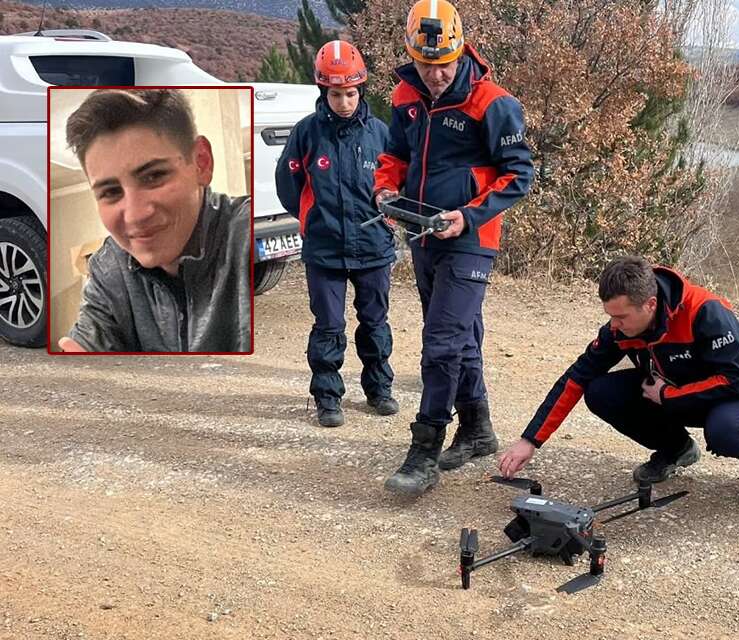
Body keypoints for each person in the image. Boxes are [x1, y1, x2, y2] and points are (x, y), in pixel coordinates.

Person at [375, 0, 534, 496]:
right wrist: (385, 188)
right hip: (422, 232)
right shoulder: (405, 95)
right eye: (425, 64)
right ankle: (477, 428)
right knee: (460, 336)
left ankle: (424, 448)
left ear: (461, 50)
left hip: (471, 239)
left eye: (443, 64)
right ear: (411, 56)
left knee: (442, 341)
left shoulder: (492, 102)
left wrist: (468, 214)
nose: (435, 74)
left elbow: (520, 174)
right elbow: (395, 155)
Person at [497, 256, 739, 509]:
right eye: (610, 316)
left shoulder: (706, 311)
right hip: (671, 391)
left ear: (650, 304)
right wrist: (531, 439)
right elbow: (577, 377)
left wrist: (669, 395)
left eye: (621, 317)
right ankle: (677, 449)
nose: (614, 325)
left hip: (734, 394)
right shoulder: (620, 328)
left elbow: (737, 381)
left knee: (726, 430)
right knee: (600, 392)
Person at [58, 88, 251, 353]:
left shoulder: (244, 235)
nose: (136, 215)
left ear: (201, 163)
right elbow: (91, 340)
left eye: (154, 176)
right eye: (111, 192)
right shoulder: (110, 265)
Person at [276, 40, 398, 428]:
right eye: (335, 94)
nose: (344, 101)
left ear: (360, 90)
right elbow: (288, 183)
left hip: (373, 247)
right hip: (324, 250)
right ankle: (328, 398)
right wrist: (312, 220)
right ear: (323, 92)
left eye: (350, 93)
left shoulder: (380, 133)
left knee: (375, 322)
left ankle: (379, 390)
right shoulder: (307, 133)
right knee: (329, 325)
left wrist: (389, 214)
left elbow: (397, 182)